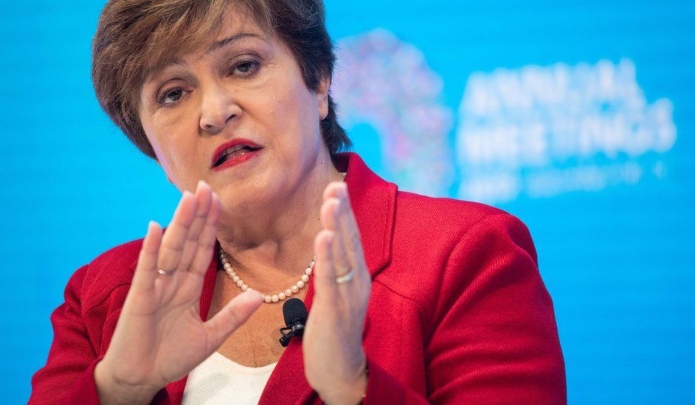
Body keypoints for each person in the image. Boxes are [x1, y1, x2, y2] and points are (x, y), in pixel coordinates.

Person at [30, 0, 567, 403]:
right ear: (150, 144)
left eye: (243, 65)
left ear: (319, 81)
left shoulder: (465, 256)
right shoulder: (104, 299)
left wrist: (354, 387)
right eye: (172, 93)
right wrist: (115, 389)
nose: (214, 112)